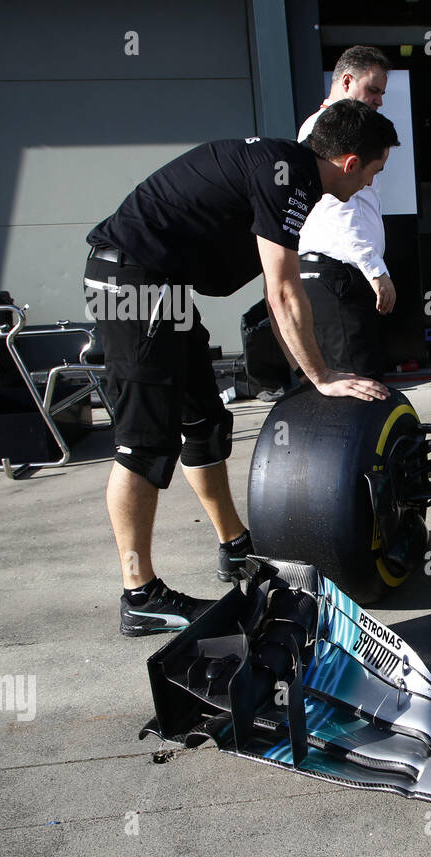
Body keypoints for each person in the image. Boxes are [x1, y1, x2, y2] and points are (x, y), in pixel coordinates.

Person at [84, 100, 392, 637]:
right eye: (373, 171)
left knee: (204, 424)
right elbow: (283, 291)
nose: (368, 185)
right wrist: (321, 377)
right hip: (130, 286)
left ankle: (235, 549)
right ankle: (140, 595)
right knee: (144, 445)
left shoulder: (289, 172)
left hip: (162, 287)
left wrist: (306, 370)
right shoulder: (290, 177)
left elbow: (279, 294)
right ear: (349, 163)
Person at [296, 45, 398, 378]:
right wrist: (375, 270)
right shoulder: (330, 131)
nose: (379, 100)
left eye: (381, 93)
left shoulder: (339, 128)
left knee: (356, 381)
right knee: (357, 384)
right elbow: (340, 210)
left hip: (338, 274)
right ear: (347, 80)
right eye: (372, 90)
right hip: (337, 273)